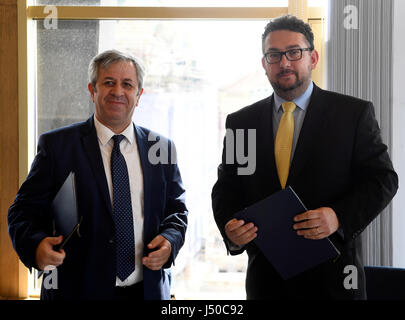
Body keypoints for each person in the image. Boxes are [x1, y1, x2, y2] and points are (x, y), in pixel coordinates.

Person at [212, 15, 398, 299]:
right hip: (267, 282)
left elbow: (383, 179)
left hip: (335, 280)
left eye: (294, 52)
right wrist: (230, 228)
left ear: (313, 57)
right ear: (264, 64)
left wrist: (338, 217)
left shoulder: (352, 114)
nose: (284, 62)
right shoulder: (242, 122)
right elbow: (227, 187)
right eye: (274, 55)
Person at [8, 50, 188, 300]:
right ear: (92, 90)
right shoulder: (58, 146)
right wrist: (35, 245)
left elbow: (177, 210)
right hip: (76, 291)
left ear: (138, 96)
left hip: (146, 292)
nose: (118, 91)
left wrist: (169, 242)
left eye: (127, 84)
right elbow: (22, 212)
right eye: (109, 82)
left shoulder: (162, 149)